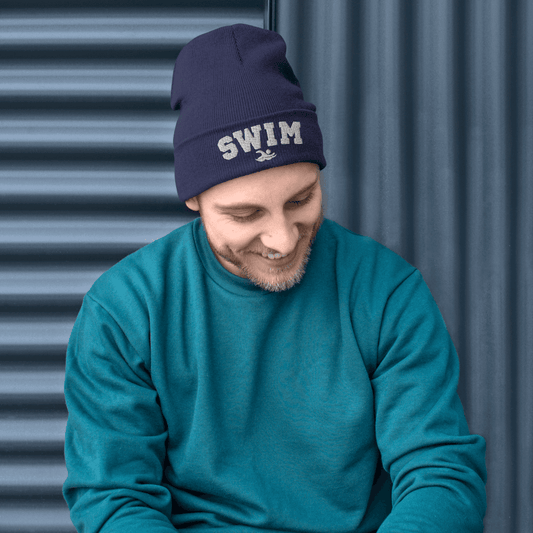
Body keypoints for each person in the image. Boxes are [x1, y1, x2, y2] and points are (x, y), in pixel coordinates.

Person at [63, 24, 487, 533]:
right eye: (246, 215)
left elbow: (440, 475)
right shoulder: (125, 312)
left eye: (301, 199)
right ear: (194, 199)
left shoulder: (386, 292)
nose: (283, 240)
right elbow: (113, 497)